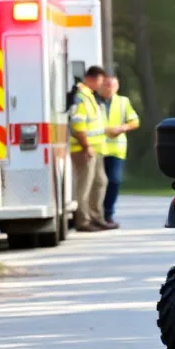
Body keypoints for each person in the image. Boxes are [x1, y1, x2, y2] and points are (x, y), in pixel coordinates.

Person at [68, 66, 116, 231]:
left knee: (100, 182)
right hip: (83, 149)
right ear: (92, 79)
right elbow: (77, 125)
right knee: (84, 187)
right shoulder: (81, 97)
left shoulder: (89, 96)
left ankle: (96, 217)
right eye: (100, 81)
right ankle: (83, 221)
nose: (101, 85)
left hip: (95, 149)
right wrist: (86, 146)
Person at [99, 76, 140, 225]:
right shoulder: (95, 101)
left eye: (112, 85)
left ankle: (108, 213)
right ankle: (98, 214)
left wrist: (123, 128)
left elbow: (135, 121)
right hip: (98, 148)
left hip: (117, 150)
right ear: (101, 86)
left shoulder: (123, 102)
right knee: (98, 184)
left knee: (114, 181)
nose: (109, 88)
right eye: (106, 85)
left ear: (117, 87)